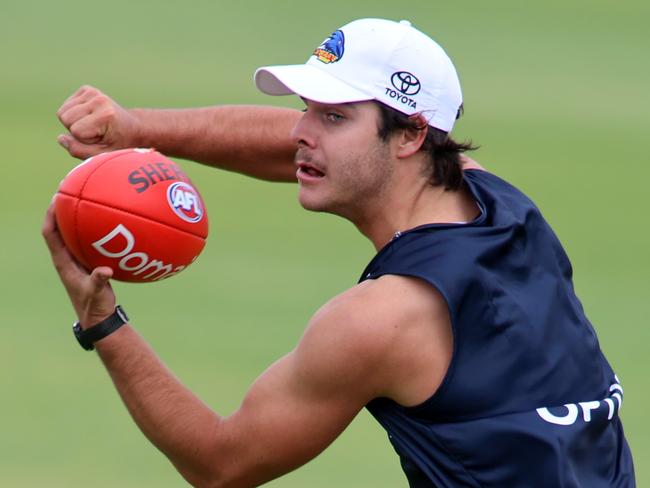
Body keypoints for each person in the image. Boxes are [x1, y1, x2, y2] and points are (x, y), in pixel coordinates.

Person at [44, 18, 635, 487]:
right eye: (307, 108)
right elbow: (302, 149)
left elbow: (222, 464)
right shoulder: (498, 202)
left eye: (333, 116)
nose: (301, 131)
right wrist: (137, 128)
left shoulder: (381, 320)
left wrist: (103, 323)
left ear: (410, 136)